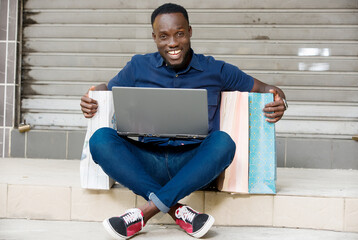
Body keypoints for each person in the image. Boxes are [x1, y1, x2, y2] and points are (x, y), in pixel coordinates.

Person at [80, 3, 287, 239]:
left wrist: (280, 101)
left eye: (179, 34)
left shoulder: (216, 70)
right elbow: (107, 88)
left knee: (223, 142)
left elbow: (267, 89)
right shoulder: (138, 67)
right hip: (147, 160)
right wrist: (93, 94)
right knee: (101, 140)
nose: (172, 43)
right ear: (154, 38)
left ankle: (144, 214)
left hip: (192, 164)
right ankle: (178, 211)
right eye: (163, 36)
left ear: (189, 31)